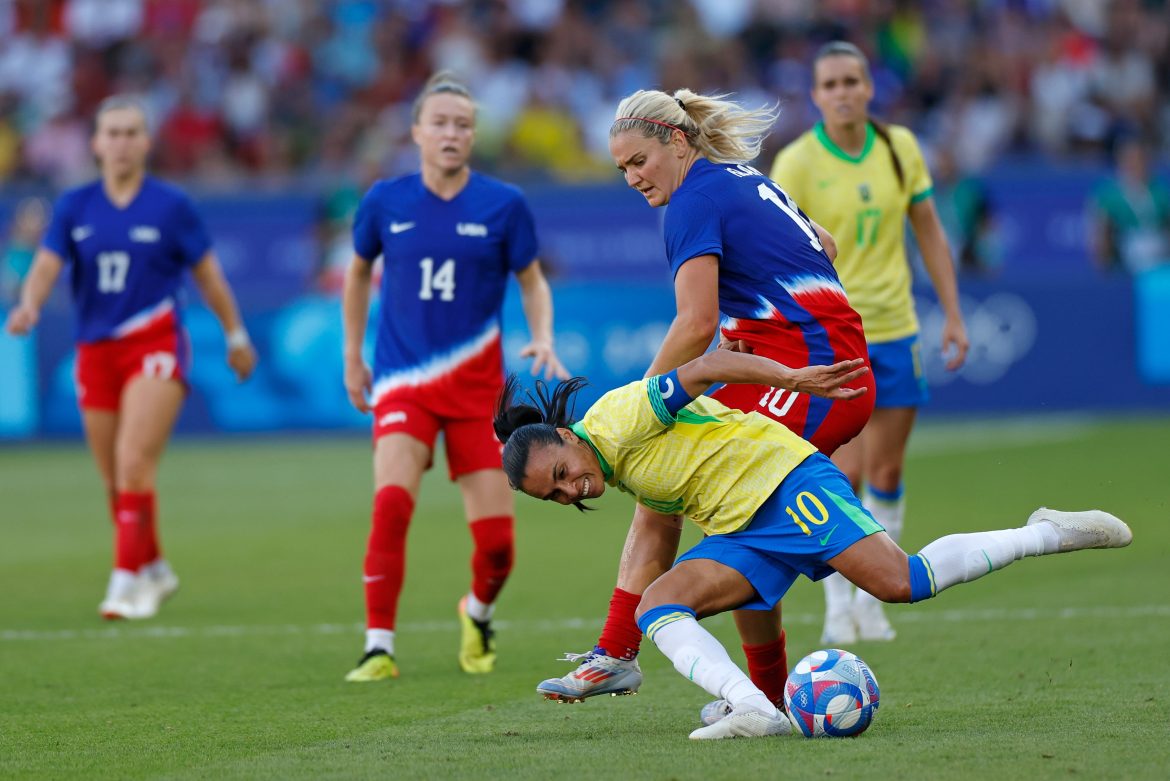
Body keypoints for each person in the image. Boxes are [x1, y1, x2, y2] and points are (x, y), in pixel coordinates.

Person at [493, 351, 1132, 739]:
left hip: (786, 483)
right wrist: (617, 646)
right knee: (658, 604)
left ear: (566, 438)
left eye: (561, 474)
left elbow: (706, 367)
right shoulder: (614, 464)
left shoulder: (615, 417)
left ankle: (1043, 532)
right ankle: (754, 708)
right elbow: (653, 546)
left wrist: (791, 378)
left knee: (901, 582)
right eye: (555, 496)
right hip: (743, 529)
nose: (571, 490)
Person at [534, 88, 874, 715]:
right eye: (622, 169)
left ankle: (651, 661)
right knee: (676, 490)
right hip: (809, 362)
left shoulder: (692, 201)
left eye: (639, 161)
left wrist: (640, 403)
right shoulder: (741, 178)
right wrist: (762, 324)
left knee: (710, 496)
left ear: (677, 141)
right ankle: (642, 659)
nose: (633, 178)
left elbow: (695, 323)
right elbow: (824, 245)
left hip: (813, 378)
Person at [341, 72, 569, 683]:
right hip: (402, 382)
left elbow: (532, 281)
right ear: (417, 131)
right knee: (392, 504)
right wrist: (352, 356)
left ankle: (478, 611)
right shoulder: (384, 200)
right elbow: (358, 273)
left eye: (462, 125)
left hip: (477, 394)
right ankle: (377, 647)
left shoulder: (503, 204)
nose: (451, 133)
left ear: (473, 136)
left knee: (497, 546)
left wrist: (543, 335)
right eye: (439, 122)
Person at [3, 95, 257, 619]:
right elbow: (48, 265)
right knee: (116, 481)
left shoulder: (171, 205)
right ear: (96, 143)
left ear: (146, 142)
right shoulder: (75, 205)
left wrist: (235, 335)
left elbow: (209, 276)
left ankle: (123, 580)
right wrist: (29, 304)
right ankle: (156, 568)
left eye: (131, 132)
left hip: (154, 342)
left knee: (134, 460)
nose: (121, 143)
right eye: (112, 133)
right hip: (96, 350)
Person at [771, 41, 970, 645]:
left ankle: (871, 600)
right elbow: (774, 250)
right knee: (843, 472)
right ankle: (838, 604)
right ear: (815, 95)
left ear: (868, 87)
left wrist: (953, 313)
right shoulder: (797, 162)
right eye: (830, 84)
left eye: (851, 81)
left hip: (896, 327)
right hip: (832, 335)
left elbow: (928, 230)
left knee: (887, 468)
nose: (842, 92)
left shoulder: (899, 147)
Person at [1088, 135, 1170, 274]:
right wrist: (1103, 262)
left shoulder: (1161, 192)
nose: (1137, 164)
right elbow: (1101, 231)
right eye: (1131, 159)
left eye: (1140, 159)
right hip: (1125, 260)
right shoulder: (1109, 196)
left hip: (1160, 260)